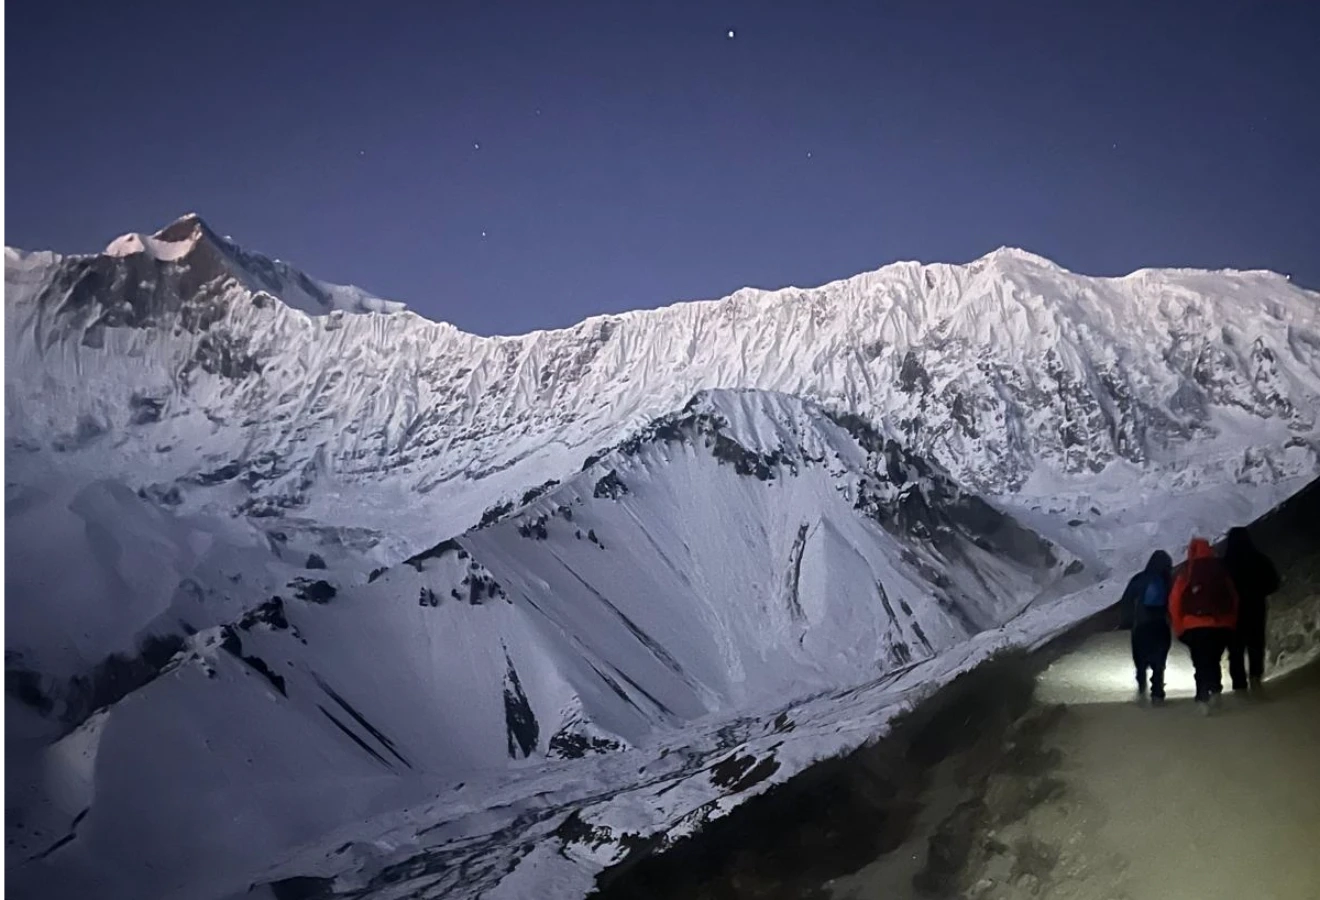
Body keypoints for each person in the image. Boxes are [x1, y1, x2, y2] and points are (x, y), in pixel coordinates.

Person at [1169, 537, 1239, 714]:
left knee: (1200, 662)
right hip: (1220, 625)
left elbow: (1175, 601)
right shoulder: (1221, 570)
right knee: (1214, 659)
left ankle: (1202, 697)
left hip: (1194, 626)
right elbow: (1233, 598)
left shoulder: (1187, 573)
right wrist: (1229, 622)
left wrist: (1179, 626)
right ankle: (1216, 691)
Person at [1223, 527, 1281, 692]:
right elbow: (1274, 583)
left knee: (1235, 649)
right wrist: (1258, 592)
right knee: (1256, 645)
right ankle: (1256, 679)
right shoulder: (1259, 559)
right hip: (1255, 607)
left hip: (1232, 612)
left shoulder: (1225, 563)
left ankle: (1239, 686)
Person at [1120, 550, 1174, 704]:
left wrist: (1127, 621)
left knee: (1140, 658)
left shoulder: (1139, 579)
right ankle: (1157, 692)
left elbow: (1127, 600)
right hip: (1161, 624)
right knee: (1159, 660)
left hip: (1141, 625)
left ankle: (1141, 687)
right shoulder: (1168, 580)